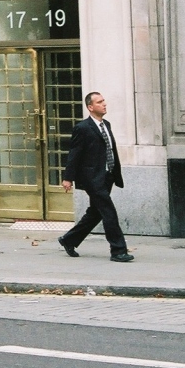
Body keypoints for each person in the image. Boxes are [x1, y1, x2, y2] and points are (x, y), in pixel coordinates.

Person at [58, 91, 133, 262]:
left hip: (107, 176)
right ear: (90, 107)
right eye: (99, 102)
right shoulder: (82, 128)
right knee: (109, 212)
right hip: (92, 178)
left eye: (104, 101)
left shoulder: (106, 124)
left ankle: (69, 240)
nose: (104, 104)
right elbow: (74, 154)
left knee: (95, 213)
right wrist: (68, 178)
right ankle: (118, 251)